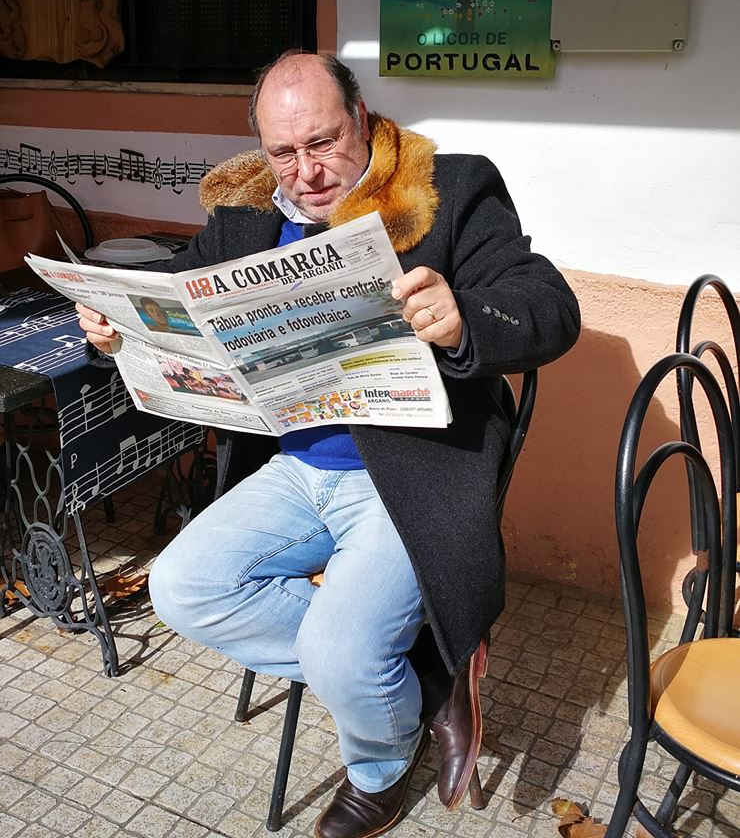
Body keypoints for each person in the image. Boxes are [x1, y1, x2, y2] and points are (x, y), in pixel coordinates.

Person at [77, 51, 580, 838]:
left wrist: (464, 317)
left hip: (412, 476)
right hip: (295, 467)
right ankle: (419, 676)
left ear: (362, 120)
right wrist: (120, 329)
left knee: (343, 652)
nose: (306, 173)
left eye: (323, 142)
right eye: (283, 151)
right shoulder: (246, 213)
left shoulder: (448, 190)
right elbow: (182, 294)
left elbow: (549, 306)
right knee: (182, 588)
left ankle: (380, 764)